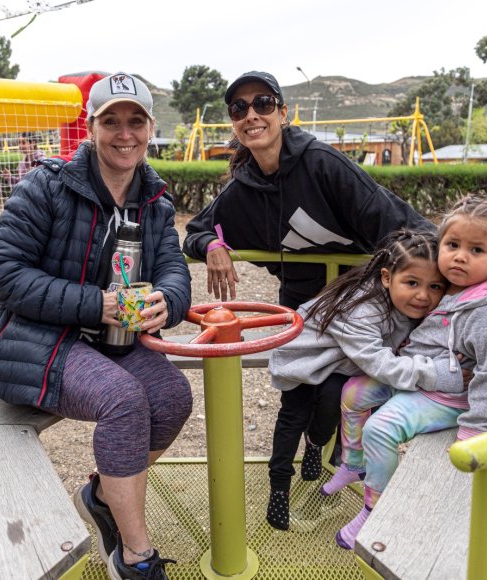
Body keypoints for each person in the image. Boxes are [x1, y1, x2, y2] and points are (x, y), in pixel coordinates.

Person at [182, 70, 436, 529]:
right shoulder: (244, 188)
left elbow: (404, 225)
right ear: (233, 123)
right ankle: (282, 489)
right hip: (304, 308)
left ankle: (324, 456)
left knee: (336, 397)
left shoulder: (322, 164)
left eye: (262, 103)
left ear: (283, 111)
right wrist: (213, 247)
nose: (252, 115)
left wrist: (480, 274)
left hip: (359, 305)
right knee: (296, 400)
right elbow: (197, 229)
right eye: (240, 108)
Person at [0, 72, 191, 580]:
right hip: (34, 342)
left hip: (113, 339)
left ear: (150, 127)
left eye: (135, 122)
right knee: (123, 401)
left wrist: (171, 302)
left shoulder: (154, 200)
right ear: (90, 127)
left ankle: (99, 496)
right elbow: (3, 272)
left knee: (173, 399)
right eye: (111, 121)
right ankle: (134, 556)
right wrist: (95, 305)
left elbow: (173, 271)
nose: (125, 134)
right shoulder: (47, 184)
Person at [335, 195, 487, 550]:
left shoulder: (486, 310)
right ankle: (354, 463)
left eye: (477, 250)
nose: (460, 256)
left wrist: (476, 430)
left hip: (448, 395)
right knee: (353, 392)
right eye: (452, 245)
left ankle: (374, 510)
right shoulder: (454, 282)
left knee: (381, 428)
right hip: (423, 376)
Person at [267, 229, 469, 529]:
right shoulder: (361, 310)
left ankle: (315, 444)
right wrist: (436, 373)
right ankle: (279, 489)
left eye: (435, 286)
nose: (423, 295)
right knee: (293, 418)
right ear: (387, 278)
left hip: (344, 365)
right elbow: (382, 364)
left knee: (333, 408)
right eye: (412, 283)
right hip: (304, 364)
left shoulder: (408, 302)